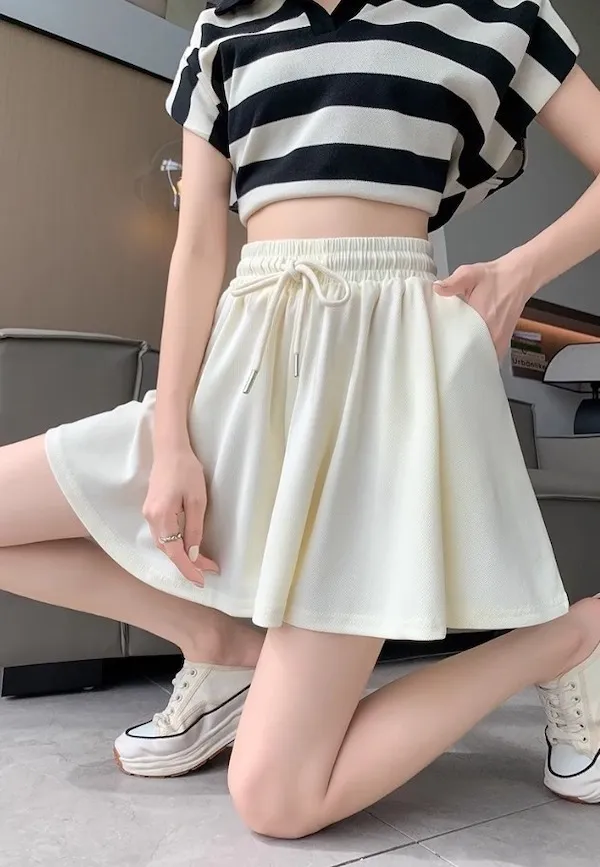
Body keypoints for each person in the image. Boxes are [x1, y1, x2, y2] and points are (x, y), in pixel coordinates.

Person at [2, 0, 600, 838]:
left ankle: (570, 637)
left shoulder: (491, 14)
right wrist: (171, 439)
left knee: (279, 799)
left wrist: (520, 271)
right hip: (242, 369)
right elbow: (198, 244)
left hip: (381, 388)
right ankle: (220, 645)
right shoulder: (223, 31)